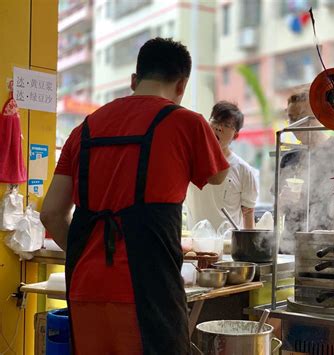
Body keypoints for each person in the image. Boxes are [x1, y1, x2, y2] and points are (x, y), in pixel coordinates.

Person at [40, 38, 229, 355]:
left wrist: (85, 252)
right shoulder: (187, 122)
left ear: (133, 80)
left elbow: (50, 214)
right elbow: (219, 175)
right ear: (181, 85)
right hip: (148, 287)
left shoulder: (84, 129)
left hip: (86, 284)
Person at [279, 88, 334, 253]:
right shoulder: (288, 158)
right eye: (291, 118)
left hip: (331, 244)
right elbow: (280, 207)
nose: (296, 125)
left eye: (302, 117)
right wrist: (283, 201)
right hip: (291, 245)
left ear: (318, 116)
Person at [185, 101, 258, 230]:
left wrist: (247, 247)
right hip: (195, 241)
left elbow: (248, 213)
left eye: (226, 125)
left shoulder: (243, 170)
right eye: (215, 121)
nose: (219, 128)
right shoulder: (190, 160)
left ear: (235, 135)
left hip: (227, 243)